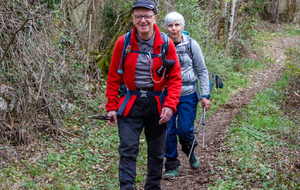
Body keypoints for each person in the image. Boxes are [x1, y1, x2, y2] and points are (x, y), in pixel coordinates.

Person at [105, 1, 182, 189]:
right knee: (128, 149)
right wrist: (111, 106)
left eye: (147, 16)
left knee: (156, 152)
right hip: (130, 103)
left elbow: (175, 78)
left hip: (157, 103)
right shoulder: (123, 43)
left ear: (155, 17)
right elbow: (114, 76)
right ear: (133, 18)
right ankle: (127, 187)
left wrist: (170, 105)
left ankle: (153, 186)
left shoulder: (165, 43)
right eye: (138, 16)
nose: (143, 20)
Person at [163, 12, 211, 180]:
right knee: (168, 131)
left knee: (184, 130)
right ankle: (171, 165)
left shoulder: (191, 44)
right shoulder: (162, 44)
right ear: (166, 28)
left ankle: (189, 150)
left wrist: (206, 94)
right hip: (167, 95)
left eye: (177, 25)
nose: (174, 29)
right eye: (170, 25)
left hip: (188, 93)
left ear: (182, 27)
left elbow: (202, 70)